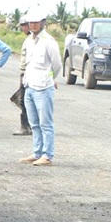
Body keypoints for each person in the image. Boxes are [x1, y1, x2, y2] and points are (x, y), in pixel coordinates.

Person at [20, 11, 63, 166]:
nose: (33, 25)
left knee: (46, 123)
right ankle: (37, 152)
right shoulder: (29, 41)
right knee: (34, 123)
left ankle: (47, 155)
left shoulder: (48, 41)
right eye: (30, 22)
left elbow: (57, 64)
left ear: (43, 23)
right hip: (29, 86)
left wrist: (50, 77)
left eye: (36, 22)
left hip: (43, 87)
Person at [13, 20, 33, 136]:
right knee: (24, 100)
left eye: (23, 26)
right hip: (25, 73)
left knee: (25, 100)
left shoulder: (33, 40)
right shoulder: (29, 39)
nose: (22, 29)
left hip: (28, 74)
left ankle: (26, 127)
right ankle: (28, 125)